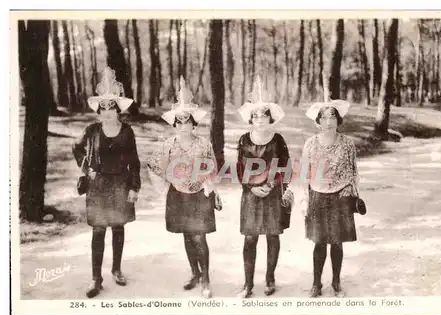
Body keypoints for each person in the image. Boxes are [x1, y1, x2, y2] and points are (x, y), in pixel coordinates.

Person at [146, 77, 221, 299]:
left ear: (193, 124)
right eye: (178, 122)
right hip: (178, 196)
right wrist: (169, 184)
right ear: (174, 125)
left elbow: (212, 169)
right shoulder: (167, 146)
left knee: (199, 237)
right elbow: (154, 167)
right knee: (187, 236)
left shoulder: (203, 144)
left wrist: (209, 187)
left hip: (199, 195)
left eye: (187, 121)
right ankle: (194, 273)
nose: (182, 125)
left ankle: (206, 278)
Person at [72, 67, 141, 299]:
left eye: (113, 107)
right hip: (98, 186)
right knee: (99, 231)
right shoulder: (91, 130)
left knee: (118, 228)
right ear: (99, 110)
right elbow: (76, 147)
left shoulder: (127, 132)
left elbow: (134, 161)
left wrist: (134, 187)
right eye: (104, 107)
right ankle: (96, 278)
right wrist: (86, 169)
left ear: (118, 110)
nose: (108, 111)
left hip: (121, 185)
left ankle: (117, 269)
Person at [235, 77, 292, 298]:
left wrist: (271, 185)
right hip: (251, 195)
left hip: (272, 194)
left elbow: (285, 168)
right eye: (255, 115)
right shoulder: (243, 140)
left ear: (271, 117)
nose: (260, 119)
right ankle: (248, 284)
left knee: (272, 236)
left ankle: (269, 278)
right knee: (250, 238)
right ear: (251, 118)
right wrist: (250, 187)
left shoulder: (278, 140)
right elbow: (240, 169)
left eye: (264, 114)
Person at [301, 97, 359, 298]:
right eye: (324, 117)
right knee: (319, 242)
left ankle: (336, 282)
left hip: (340, 198)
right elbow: (304, 174)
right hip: (317, 196)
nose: (328, 121)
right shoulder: (310, 144)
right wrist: (305, 199)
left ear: (338, 119)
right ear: (318, 121)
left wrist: (350, 191)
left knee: (337, 242)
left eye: (332, 116)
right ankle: (316, 284)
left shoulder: (347, 144)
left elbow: (353, 172)